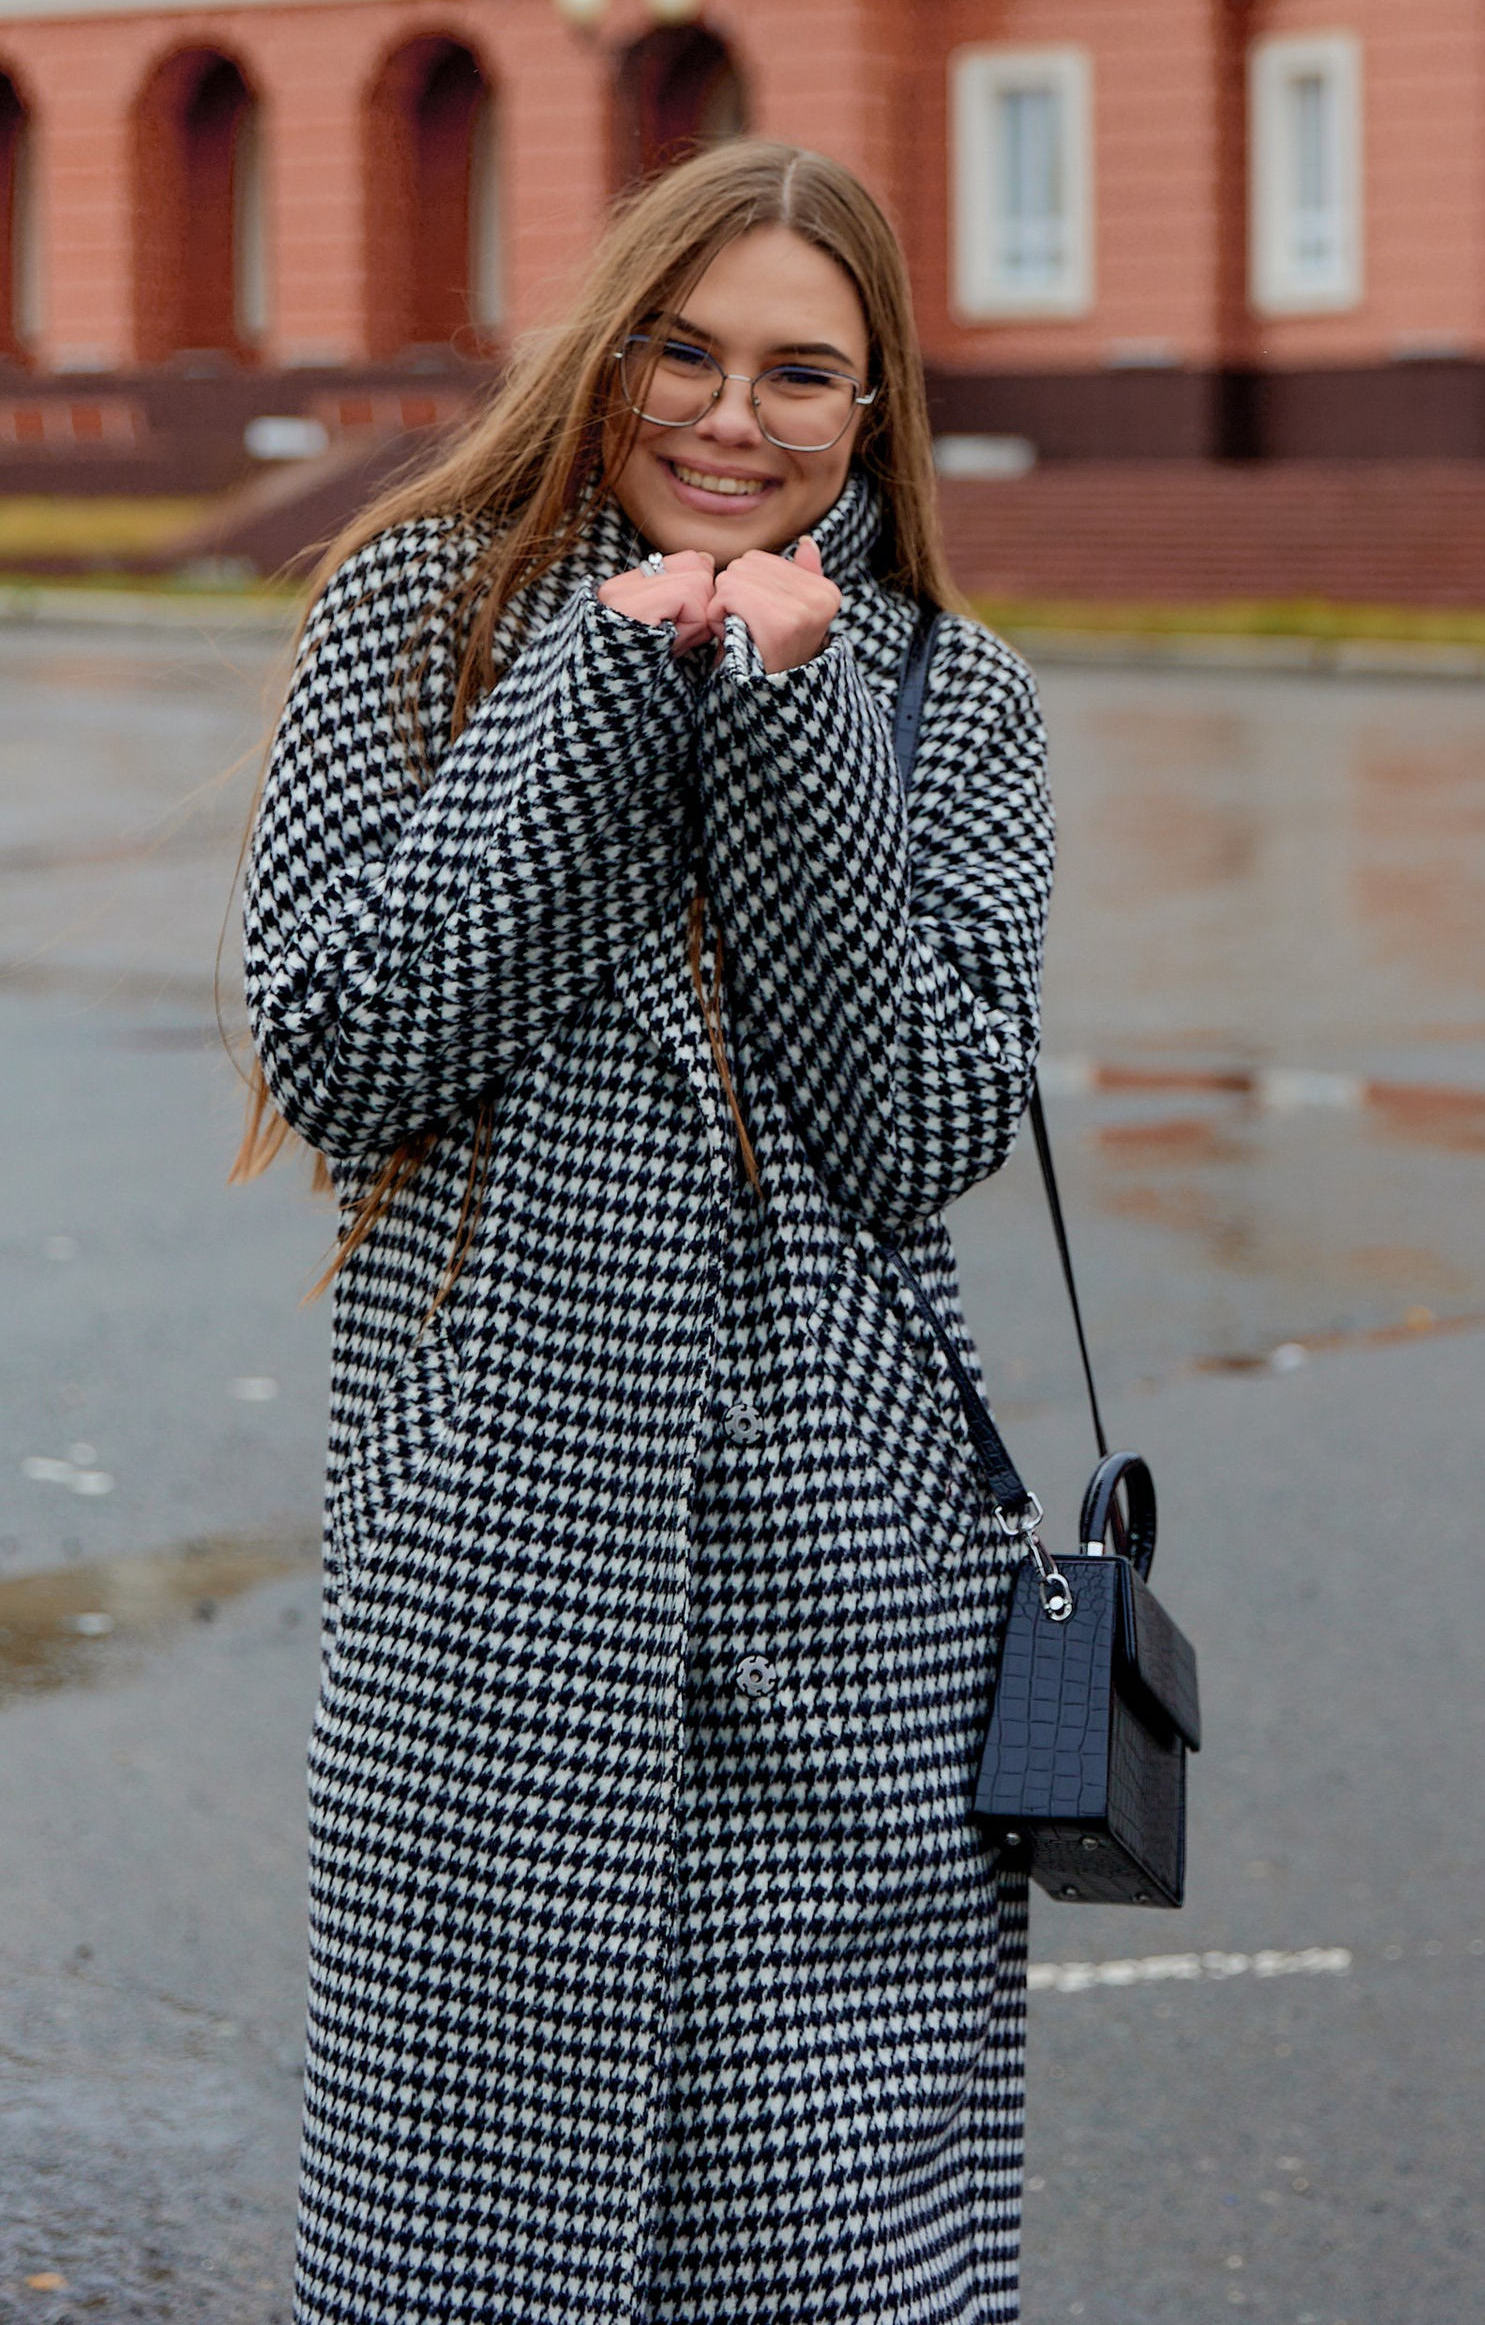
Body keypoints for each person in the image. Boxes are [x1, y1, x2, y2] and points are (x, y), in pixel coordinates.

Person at [236, 137, 1055, 2325]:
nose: (729, 415)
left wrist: (787, 721)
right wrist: (606, 680)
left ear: (870, 409)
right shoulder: (417, 621)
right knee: (472, 2242)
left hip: (846, 1593)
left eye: (802, 372)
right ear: (600, 361)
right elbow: (343, 1039)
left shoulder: (948, 697)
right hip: (497, 1575)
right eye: (680, 351)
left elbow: (923, 1126)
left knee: (828, 2249)